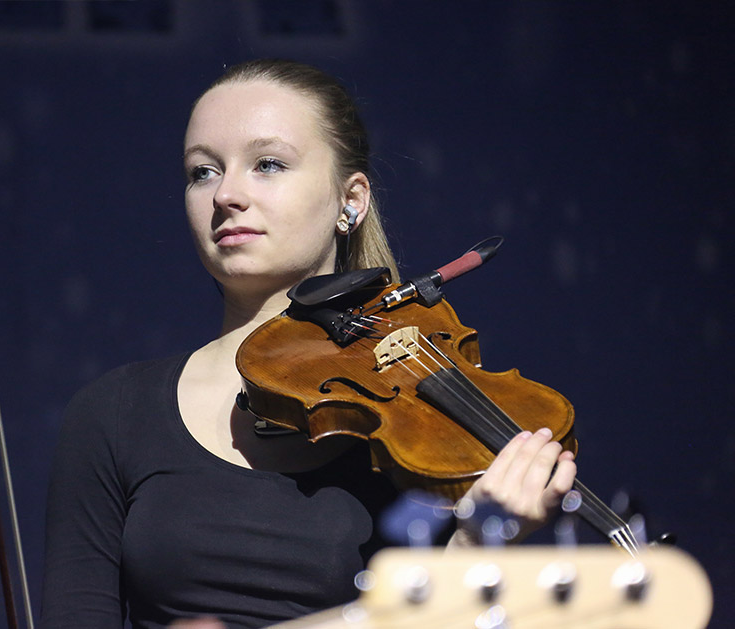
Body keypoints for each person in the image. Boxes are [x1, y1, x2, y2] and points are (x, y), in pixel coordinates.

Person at [40, 59, 576, 629]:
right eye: (202, 172)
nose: (227, 194)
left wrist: (475, 548)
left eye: (268, 164)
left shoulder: (423, 426)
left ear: (351, 200)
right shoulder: (114, 413)